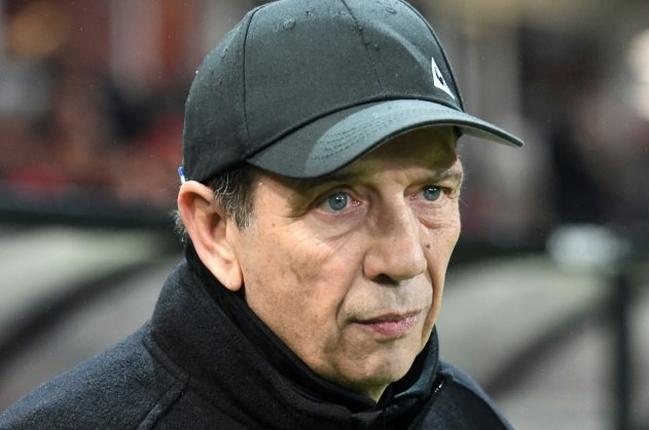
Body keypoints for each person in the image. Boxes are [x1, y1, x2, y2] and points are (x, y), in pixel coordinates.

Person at [0, 0, 522, 428]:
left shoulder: (466, 416)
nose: (405, 258)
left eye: (431, 192)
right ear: (215, 229)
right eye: (338, 200)